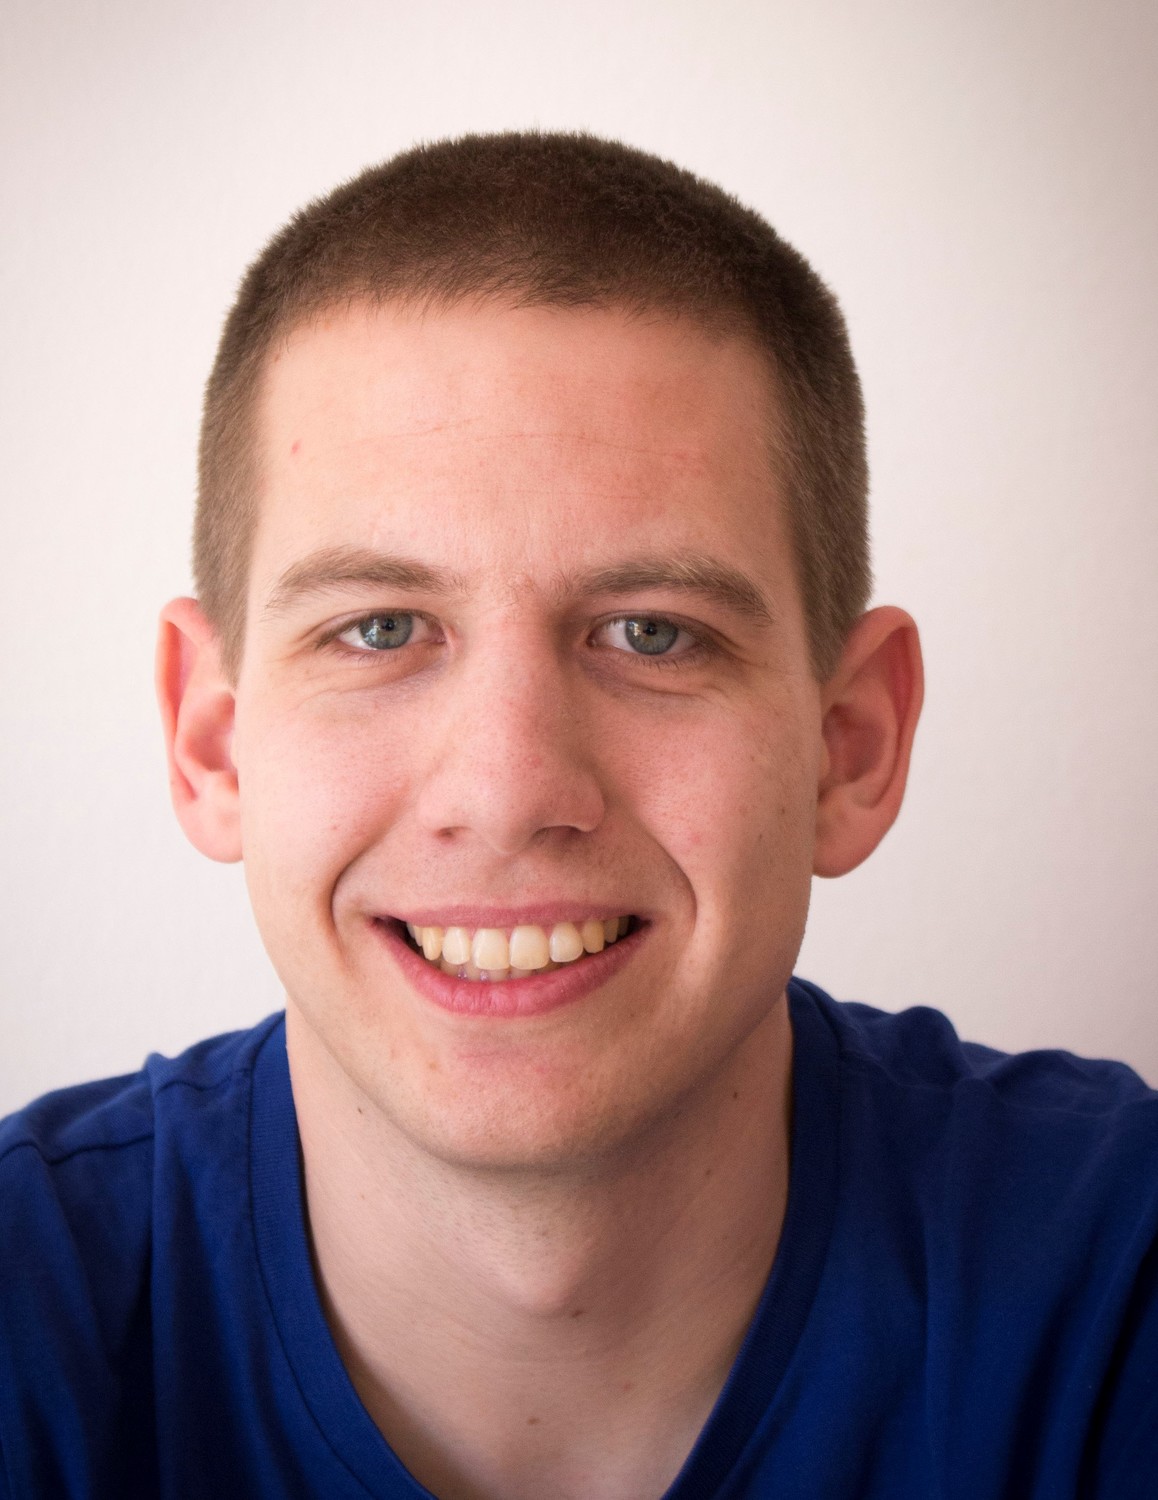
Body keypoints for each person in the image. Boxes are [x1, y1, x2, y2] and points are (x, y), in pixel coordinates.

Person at [1, 132, 1154, 1500]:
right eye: (380, 628)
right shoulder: (28, 1312)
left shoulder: (1116, 1278)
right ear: (212, 743)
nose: (506, 791)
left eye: (650, 633)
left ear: (849, 747)